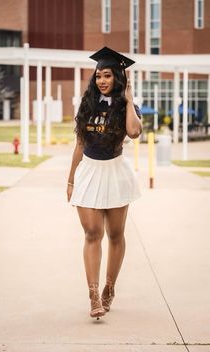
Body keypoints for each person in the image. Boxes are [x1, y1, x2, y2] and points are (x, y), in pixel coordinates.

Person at [67, 47, 142, 319]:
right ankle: (94, 293)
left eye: (108, 75)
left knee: (115, 235)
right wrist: (71, 179)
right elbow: (79, 145)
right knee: (92, 233)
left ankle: (110, 287)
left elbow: (134, 132)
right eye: (99, 75)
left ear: (118, 78)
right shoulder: (87, 104)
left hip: (115, 173)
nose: (102, 80)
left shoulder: (126, 107)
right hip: (89, 172)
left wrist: (129, 99)